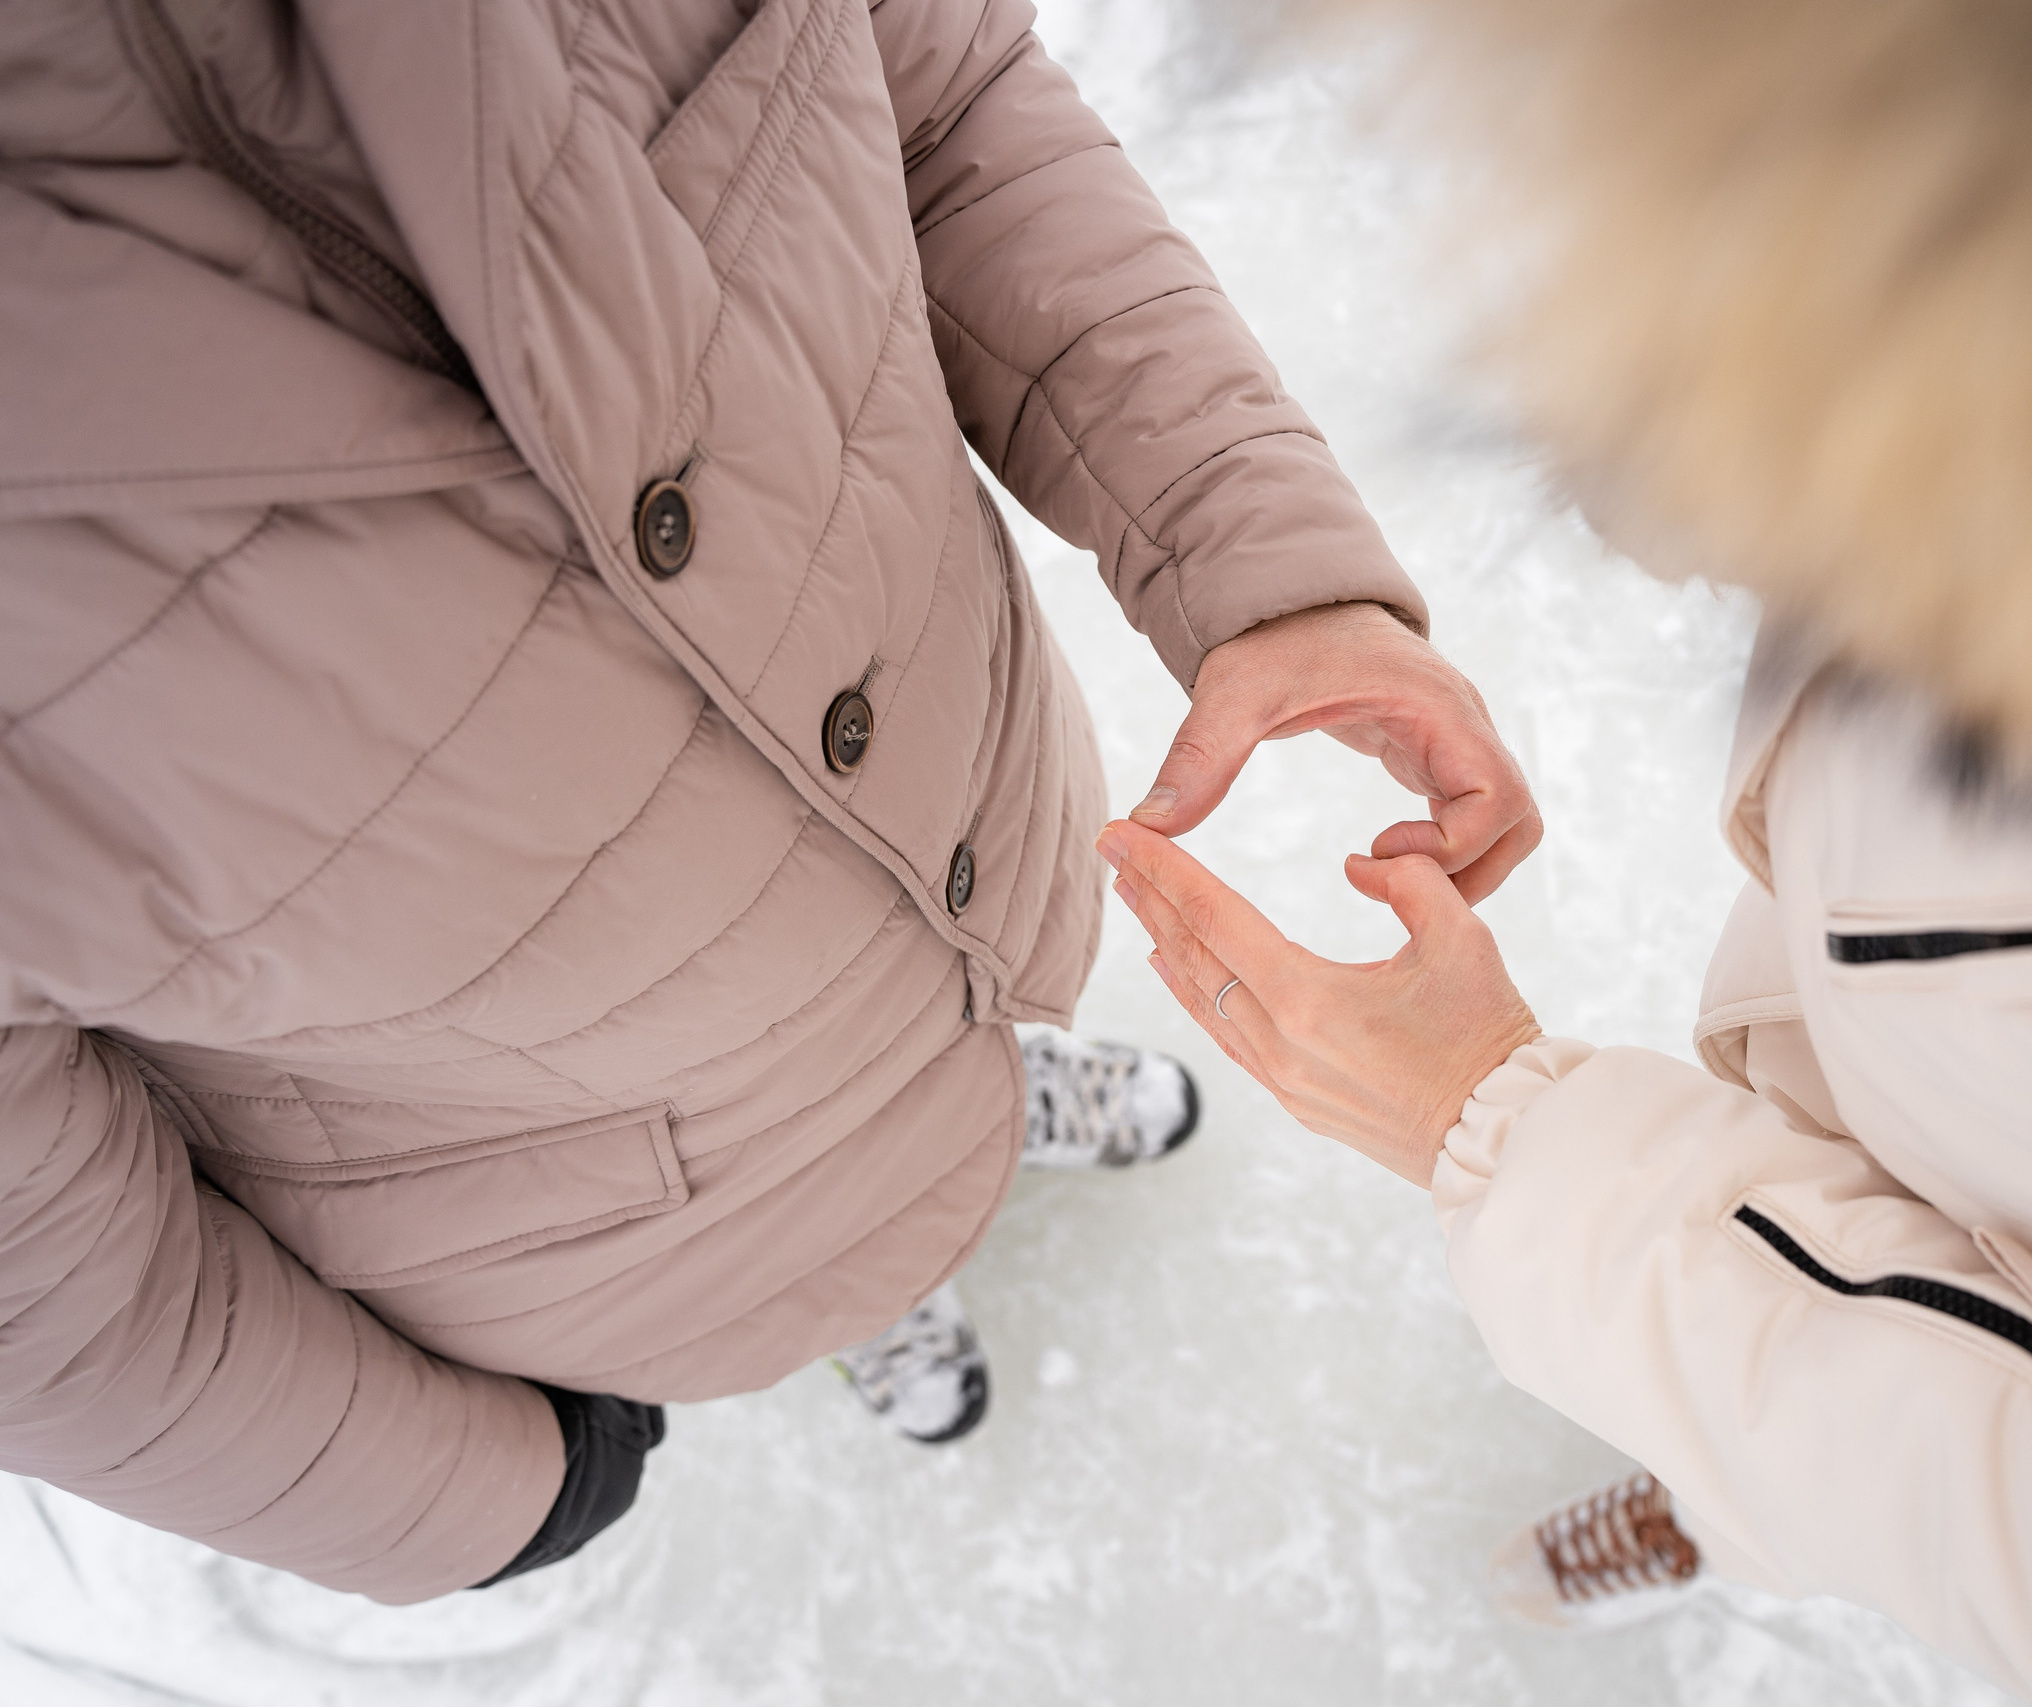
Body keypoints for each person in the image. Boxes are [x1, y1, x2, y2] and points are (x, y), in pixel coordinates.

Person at [1100, 0, 2032, 1701]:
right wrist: (1784, 431)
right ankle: (1727, 1449)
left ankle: (1743, 1484)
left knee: (1879, 1437)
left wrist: (1493, 1122)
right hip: (1943, 1090)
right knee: (1795, 1322)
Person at [0, 0, 1537, 1602]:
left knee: (967, 1068)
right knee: (824, 1257)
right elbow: (57, 1297)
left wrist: (1254, 546)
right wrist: (473, 1494)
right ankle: (869, 1308)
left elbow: (934, 105)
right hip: (636, 1211)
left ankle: (999, 1115)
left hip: (974, 862)